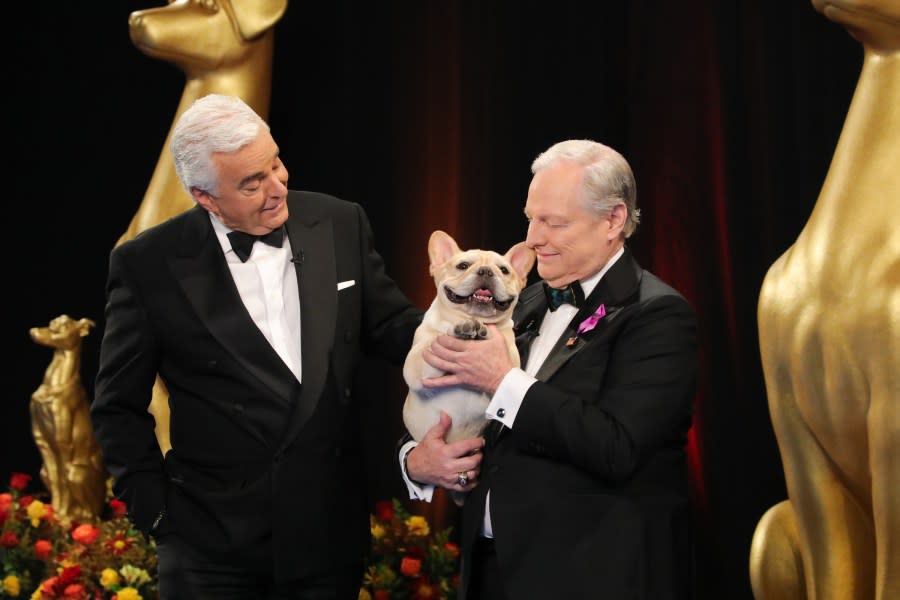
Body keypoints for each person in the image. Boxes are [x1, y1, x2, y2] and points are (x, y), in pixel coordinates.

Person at [91, 93, 423, 599]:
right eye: (252, 182)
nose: (277, 187)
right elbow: (118, 406)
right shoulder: (147, 264)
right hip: (209, 547)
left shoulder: (339, 221)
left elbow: (393, 326)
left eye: (276, 164)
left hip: (326, 536)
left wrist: (459, 332)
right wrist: (158, 514)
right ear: (205, 197)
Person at [400, 139, 698, 599]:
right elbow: (446, 397)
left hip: (589, 577)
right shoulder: (523, 299)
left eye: (553, 223)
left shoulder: (658, 314)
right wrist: (417, 460)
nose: (534, 238)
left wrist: (504, 381)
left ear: (613, 221)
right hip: (491, 572)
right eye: (531, 218)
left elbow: (617, 447)